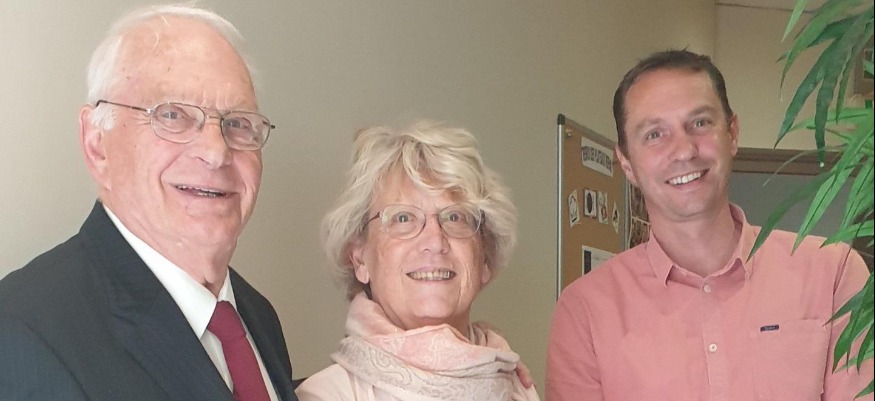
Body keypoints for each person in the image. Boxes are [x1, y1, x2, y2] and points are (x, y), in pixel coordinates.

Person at [0, 4, 298, 401]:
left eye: (237, 123)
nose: (216, 152)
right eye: (172, 115)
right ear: (97, 144)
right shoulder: (21, 333)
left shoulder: (256, 316)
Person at [546, 50, 873, 401]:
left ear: (732, 133)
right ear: (626, 163)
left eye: (700, 123)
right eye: (655, 134)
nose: (684, 150)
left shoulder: (832, 272)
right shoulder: (586, 310)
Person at [295, 121, 540, 401]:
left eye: (455, 217)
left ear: (485, 257)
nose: (435, 242)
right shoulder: (326, 394)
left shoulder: (515, 384)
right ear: (360, 259)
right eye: (403, 218)